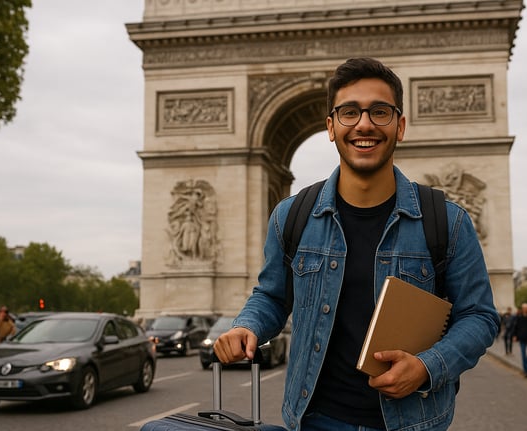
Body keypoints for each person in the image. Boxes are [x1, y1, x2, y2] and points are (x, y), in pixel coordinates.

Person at [214, 57, 499, 431]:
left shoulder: (448, 222)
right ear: (331, 127)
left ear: (400, 126)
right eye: (350, 112)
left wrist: (427, 367)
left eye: (379, 112)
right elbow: (271, 295)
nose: (364, 124)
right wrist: (246, 326)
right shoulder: (291, 217)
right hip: (314, 420)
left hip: (411, 422)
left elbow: (480, 316)